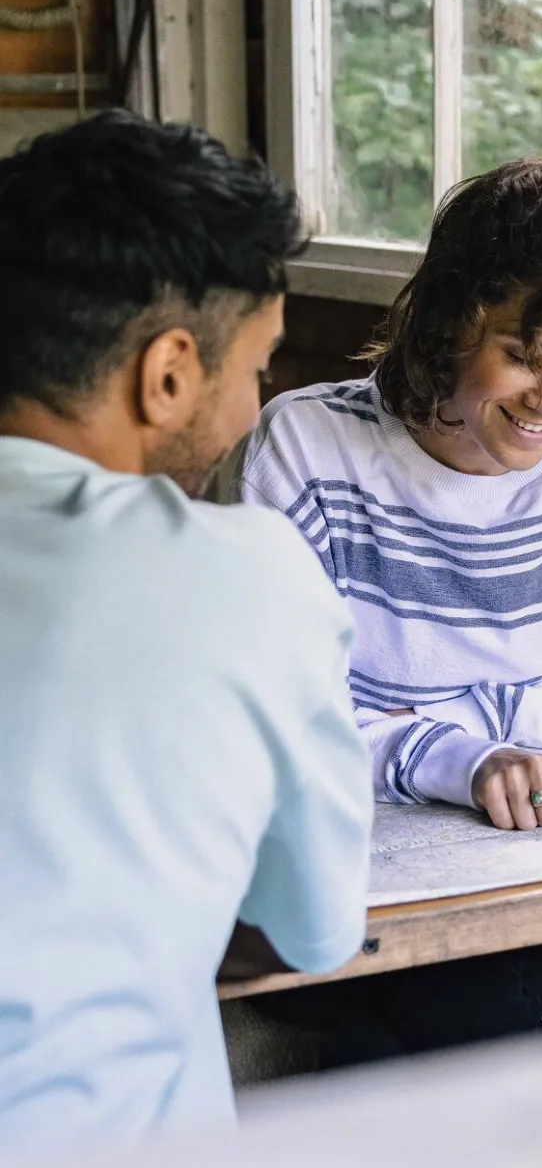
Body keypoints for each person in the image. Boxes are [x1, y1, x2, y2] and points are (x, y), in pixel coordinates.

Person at [232, 158, 542, 1063]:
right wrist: (462, 759)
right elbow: (281, 723)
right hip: (343, 847)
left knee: (462, 990)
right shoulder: (305, 449)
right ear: (451, 320)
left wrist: (486, 745)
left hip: (529, 850)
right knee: (455, 998)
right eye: (522, 356)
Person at [0, 111, 373, 1156]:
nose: (255, 408)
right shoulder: (247, 574)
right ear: (168, 372)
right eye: (256, 366)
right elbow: (315, 921)